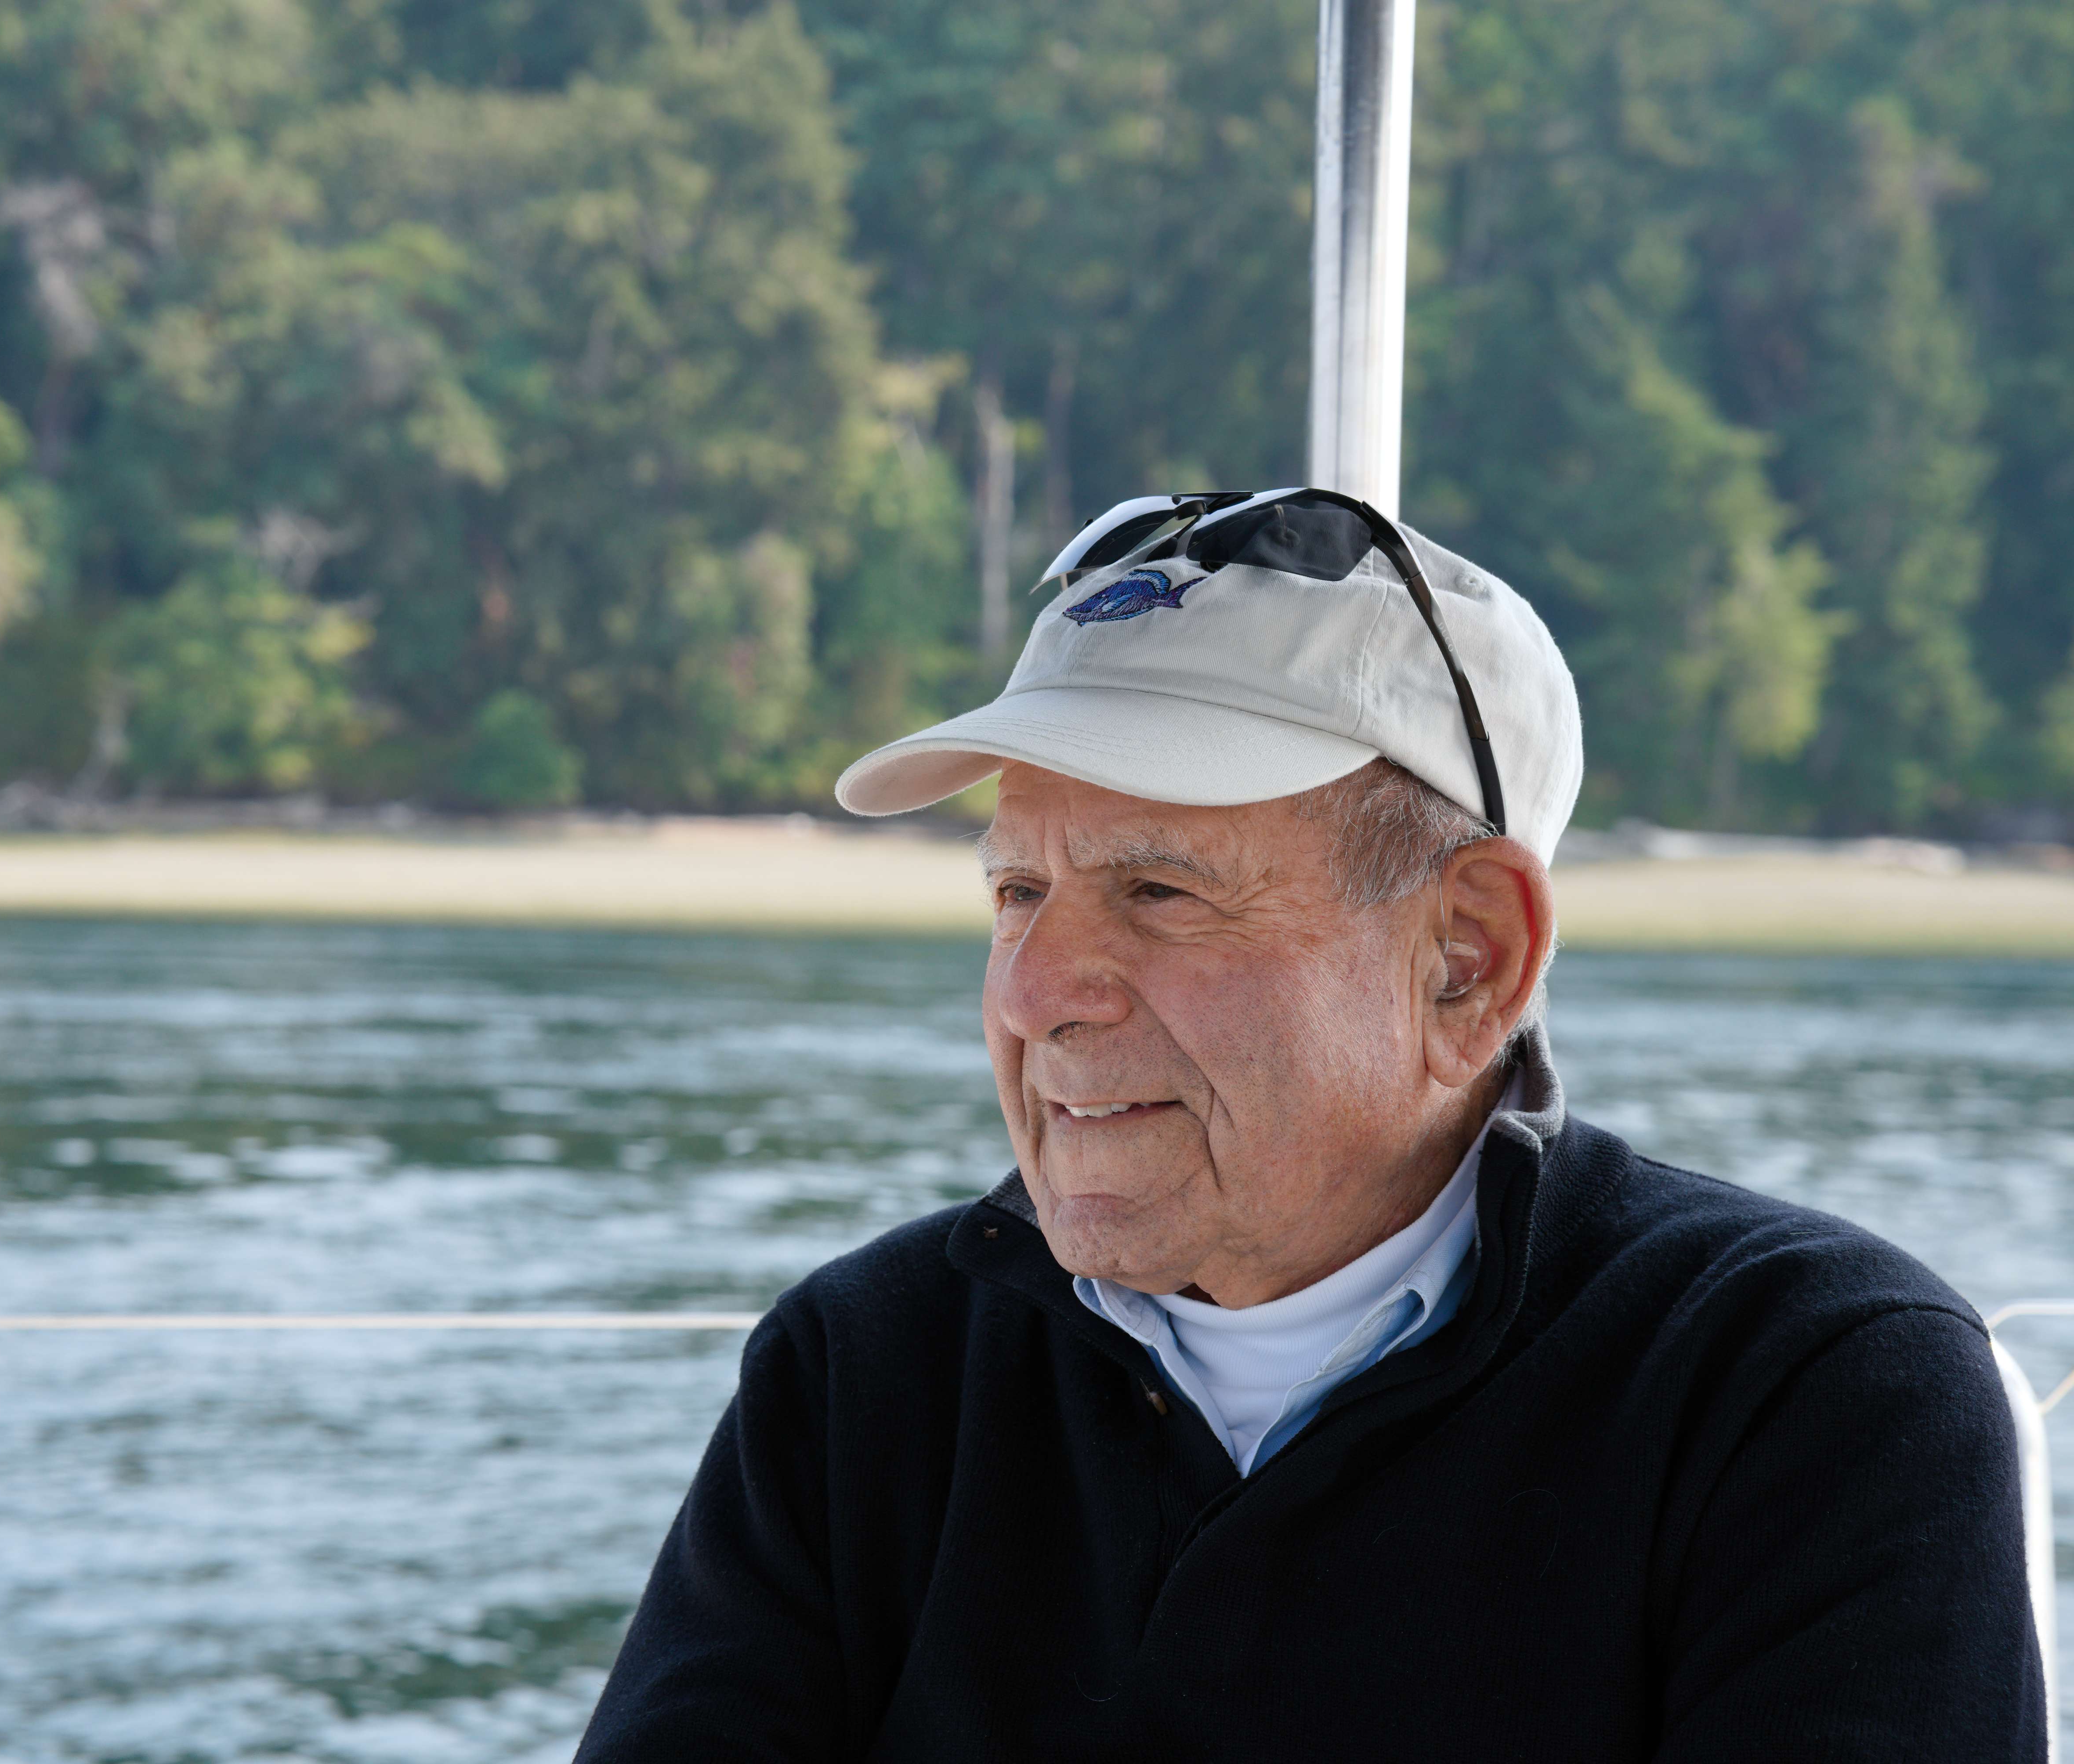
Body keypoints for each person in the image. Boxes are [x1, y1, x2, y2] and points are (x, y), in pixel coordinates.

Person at [576, 490, 2046, 1760]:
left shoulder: (1814, 1395)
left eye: (1159, 892)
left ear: (1468, 960)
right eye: (1017, 893)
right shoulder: (866, 1370)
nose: (1032, 994)